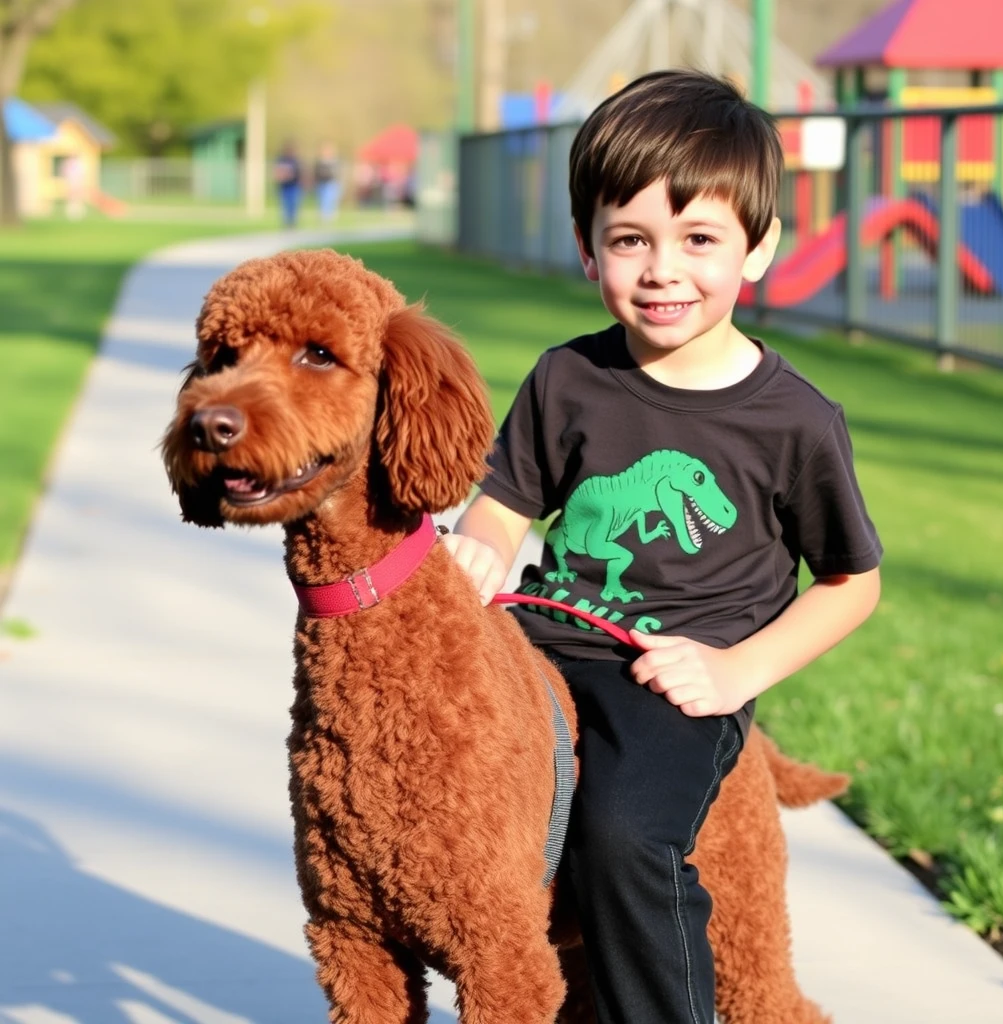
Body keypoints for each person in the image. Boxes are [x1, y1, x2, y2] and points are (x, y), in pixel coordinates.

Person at [443, 69, 882, 1024]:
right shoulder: (568, 377)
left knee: (624, 835)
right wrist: (479, 547)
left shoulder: (795, 421)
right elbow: (502, 505)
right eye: (630, 239)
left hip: (672, 682)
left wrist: (735, 675)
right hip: (548, 649)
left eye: (699, 240)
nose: (661, 270)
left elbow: (852, 583)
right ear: (585, 247)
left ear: (758, 248)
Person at [273, 141, 303, 228]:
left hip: (294, 186)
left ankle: (293, 222)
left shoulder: (295, 161)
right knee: (284, 205)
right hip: (284, 187)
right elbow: (277, 172)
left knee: (293, 205)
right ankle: (286, 222)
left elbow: (300, 173)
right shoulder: (281, 160)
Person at [312, 141, 342, 222]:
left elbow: (337, 173)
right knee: (322, 200)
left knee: (330, 199)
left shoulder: (334, 161)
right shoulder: (319, 162)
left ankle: (330, 216)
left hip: (330, 183)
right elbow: (316, 172)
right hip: (321, 183)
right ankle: (323, 216)